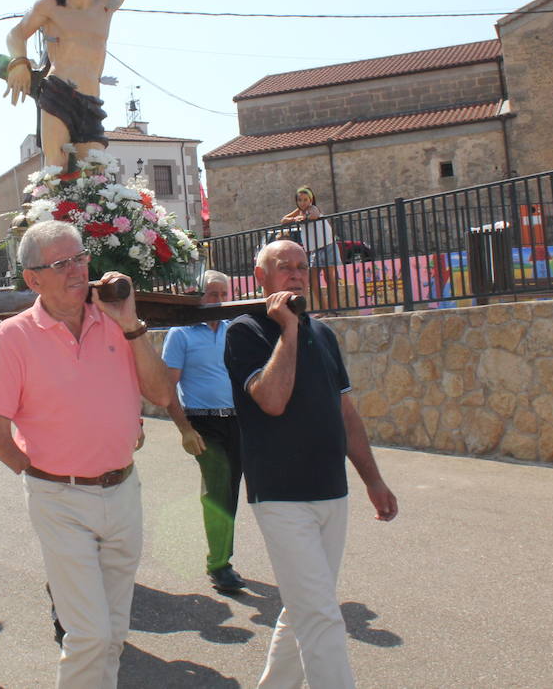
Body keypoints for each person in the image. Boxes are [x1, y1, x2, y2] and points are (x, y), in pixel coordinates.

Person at [0, 220, 172, 688]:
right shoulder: (13, 338)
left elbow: (162, 394)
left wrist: (131, 326)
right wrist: (42, 480)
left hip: (123, 490)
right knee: (87, 634)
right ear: (33, 279)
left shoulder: (117, 322)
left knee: (115, 633)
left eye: (80, 258)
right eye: (61, 263)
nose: (77, 271)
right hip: (59, 499)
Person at [226, 239, 398, 689]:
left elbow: (347, 414)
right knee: (322, 614)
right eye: (285, 268)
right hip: (281, 496)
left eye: (303, 267)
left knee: (305, 606)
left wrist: (373, 480)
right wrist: (287, 331)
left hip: (330, 492)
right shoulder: (244, 331)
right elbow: (273, 400)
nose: (297, 275)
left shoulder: (323, 333)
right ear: (260, 276)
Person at [4, 0, 133, 170]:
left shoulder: (104, 4)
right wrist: (18, 63)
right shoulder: (50, 8)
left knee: (94, 170)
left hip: (90, 100)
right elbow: (16, 34)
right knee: (56, 164)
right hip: (58, 92)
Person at [161, 270, 247, 594]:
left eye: (222, 294)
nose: (218, 300)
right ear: (197, 295)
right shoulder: (181, 333)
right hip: (202, 421)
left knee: (231, 488)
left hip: (235, 420)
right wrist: (184, 429)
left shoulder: (232, 330)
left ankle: (224, 556)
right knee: (218, 486)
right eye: (211, 293)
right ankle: (219, 565)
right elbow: (167, 388)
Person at [281, 186, 342, 312]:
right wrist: (295, 218)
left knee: (329, 277)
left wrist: (304, 217)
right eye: (300, 200)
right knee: (312, 280)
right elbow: (283, 220)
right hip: (314, 249)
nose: (302, 203)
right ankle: (324, 309)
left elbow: (314, 215)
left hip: (327, 245)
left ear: (310, 200)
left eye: (305, 200)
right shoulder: (299, 211)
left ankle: (334, 309)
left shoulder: (313, 208)